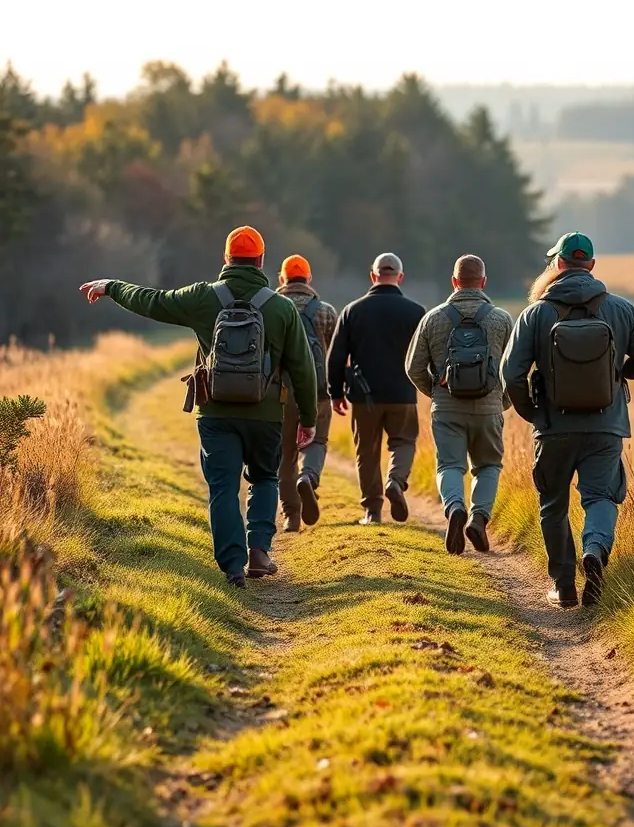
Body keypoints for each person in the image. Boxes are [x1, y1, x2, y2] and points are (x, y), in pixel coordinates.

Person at [79, 226, 317, 589]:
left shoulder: (202, 298)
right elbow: (303, 367)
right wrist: (309, 420)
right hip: (266, 413)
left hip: (216, 411)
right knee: (265, 478)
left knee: (223, 486)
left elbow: (151, 300)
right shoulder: (282, 308)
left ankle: (233, 566)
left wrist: (112, 285)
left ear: (226, 259)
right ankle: (260, 552)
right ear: (261, 262)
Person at [501, 232, 634, 609]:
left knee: (553, 504)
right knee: (601, 496)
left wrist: (532, 412)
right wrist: (617, 375)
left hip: (554, 428)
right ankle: (594, 549)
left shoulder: (536, 314)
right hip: (606, 427)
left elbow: (510, 374)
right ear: (590, 265)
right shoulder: (620, 309)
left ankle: (563, 584)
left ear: (557, 265)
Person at [406, 255, 514, 555]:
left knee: (450, 466)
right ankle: (479, 518)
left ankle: (455, 508)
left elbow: (413, 367)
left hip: (447, 408)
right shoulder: (502, 319)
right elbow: (516, 369)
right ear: (483, 281)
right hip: (489, 408)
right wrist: (502, 400)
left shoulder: (434, 318)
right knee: (488, 466)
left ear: (454, 282)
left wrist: (437, 394)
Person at [327, 253, 425, 525]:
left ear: (373, 276)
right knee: (403, 442)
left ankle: (372, 510)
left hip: (363, 396)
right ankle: (395, 480)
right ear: (400, 277)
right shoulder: (416, 312)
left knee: (367, 452)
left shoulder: (352, 311)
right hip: (403, 395)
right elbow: (427, 354)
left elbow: (335, 357)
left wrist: (335, 393)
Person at [275, 254, 337, 531]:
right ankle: (309, 478)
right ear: (309, 279)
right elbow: (334, 355)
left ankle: (290, 515)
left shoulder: (272, 308)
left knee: (285, 454)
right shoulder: (325, 311)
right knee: (317, 442)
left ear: (282, 279)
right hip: (318, 392)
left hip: (281, 394)